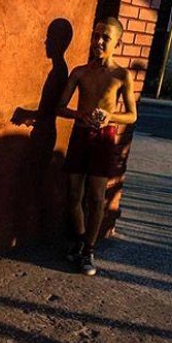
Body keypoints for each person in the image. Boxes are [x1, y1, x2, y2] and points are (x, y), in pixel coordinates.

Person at [56, 16, 137, 276]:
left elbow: (132, 115)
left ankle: (89, 250)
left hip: (104, 139)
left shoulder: (122, 75)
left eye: (106, 38)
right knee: (72, 195)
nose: (99, 41)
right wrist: (79, 115)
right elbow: (60, 106)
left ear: (117, 43)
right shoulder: (79, 72)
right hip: (80, 137)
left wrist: (109, 116)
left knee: (96, 197)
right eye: (96, 35)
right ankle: (80, 240)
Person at [11, 18, 74, 165]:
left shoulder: (59, 72)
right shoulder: (58, 70)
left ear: (60, 42)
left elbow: (49, 111)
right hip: (43, 132)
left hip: (44, 135)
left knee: (32, 178)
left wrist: (24, 113)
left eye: (50, 38)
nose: (46, 42)